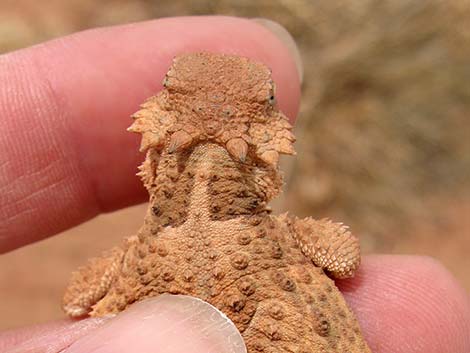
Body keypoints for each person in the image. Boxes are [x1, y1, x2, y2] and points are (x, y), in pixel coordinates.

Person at [0, 16, 468, 353]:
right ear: (267, 136)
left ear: (158, 128)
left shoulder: (131, 259)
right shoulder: (289, 242)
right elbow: (344, 260)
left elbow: (76, 299)